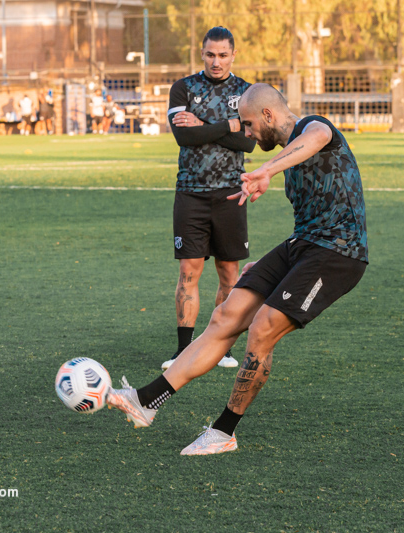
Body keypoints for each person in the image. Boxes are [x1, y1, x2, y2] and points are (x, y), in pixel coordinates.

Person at [107, 83, 368, 455]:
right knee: (226, 314)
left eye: (247, 124)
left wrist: (266, 171)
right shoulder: (286, 156)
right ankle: (146, 400)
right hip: (305, 245)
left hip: (339, 253)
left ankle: (225, 431)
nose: (245, 134)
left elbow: (317, 137)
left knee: (262, 327)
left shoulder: (313, 126)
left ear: (267, 115)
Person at [159, 26, 256, 371]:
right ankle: (183, 351)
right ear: (202, 53)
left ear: (233, 54)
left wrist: (203, 123)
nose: (217, 61)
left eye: (223, 55)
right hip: (191, 193)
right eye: (210, 54)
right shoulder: (183, 87)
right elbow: (184, 138)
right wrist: (227, 126)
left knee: (230, 273)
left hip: (232, 193)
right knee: (189, 270)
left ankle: (223, 348)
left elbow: (247, 143)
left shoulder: (246, 92)